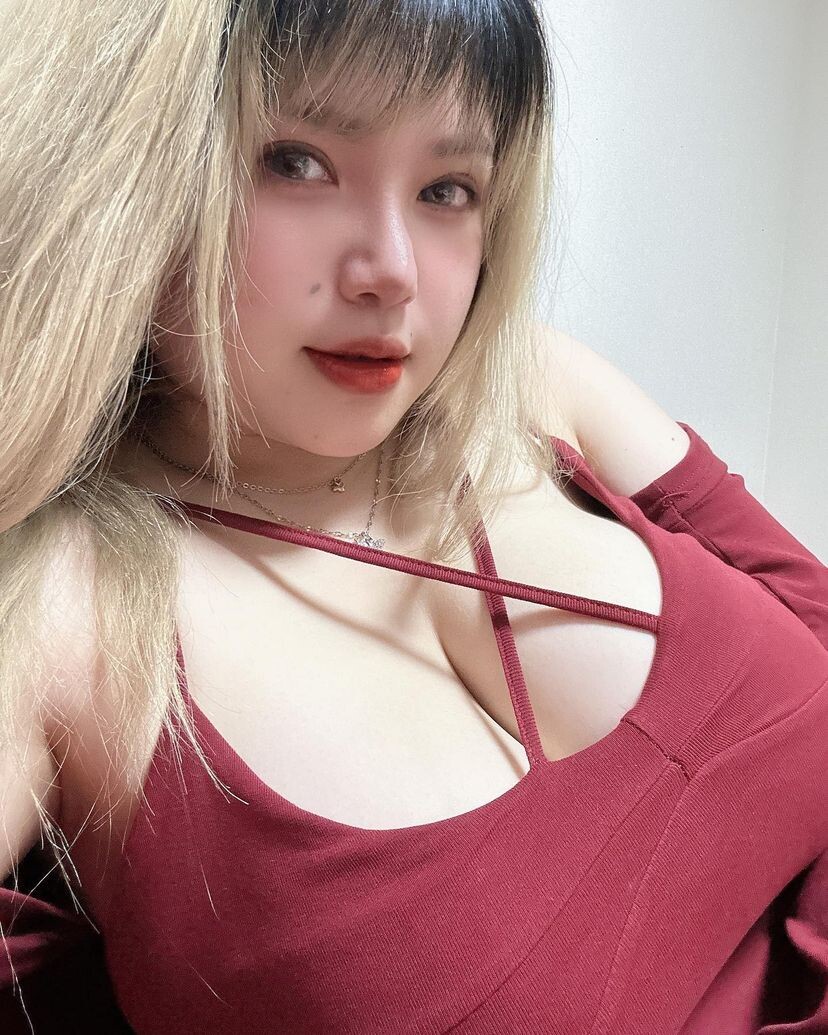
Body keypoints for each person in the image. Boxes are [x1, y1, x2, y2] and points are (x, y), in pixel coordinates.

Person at [0, 1, 825, 1032]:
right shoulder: (59, 618)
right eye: (296, 162)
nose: (391, 270)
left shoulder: (535, 390)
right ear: (124, 170)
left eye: (447, 188)